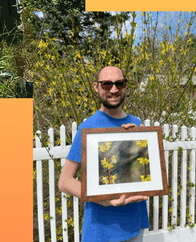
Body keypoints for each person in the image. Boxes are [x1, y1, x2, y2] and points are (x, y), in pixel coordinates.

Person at [58, 66, 150, 242]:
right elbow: (65, 181)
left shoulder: (136, 123)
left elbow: (139, 174)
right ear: (96, 87)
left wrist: (139, 143)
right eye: (107, 84)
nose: (114, 90)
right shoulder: (88, 128)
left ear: (125, 86)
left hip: (135, 227)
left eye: (119, 84)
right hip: (102, 233)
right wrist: (101, 198)